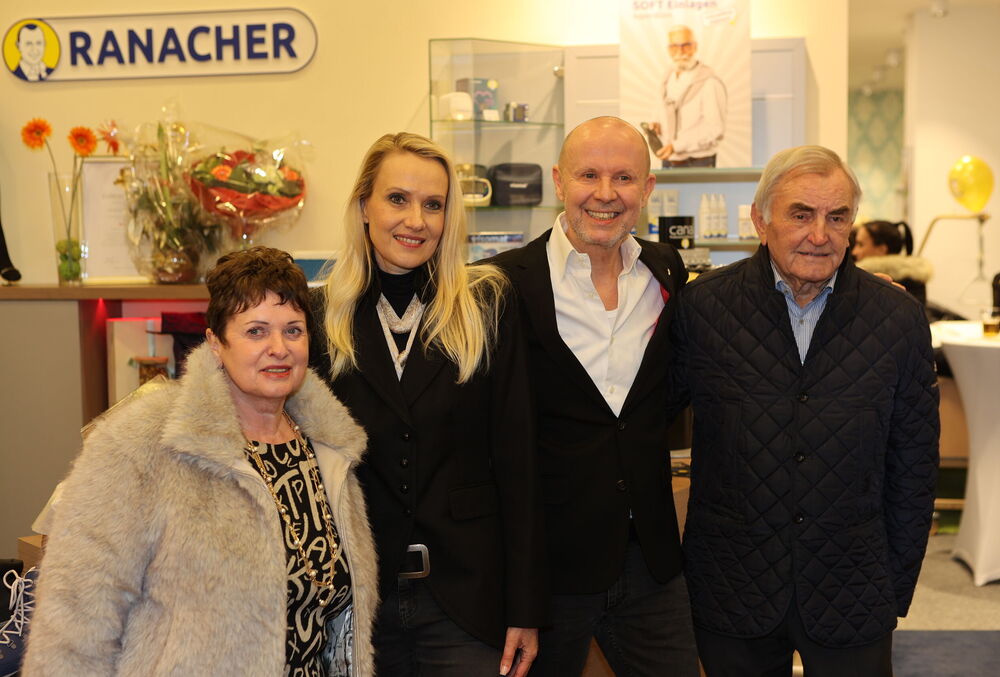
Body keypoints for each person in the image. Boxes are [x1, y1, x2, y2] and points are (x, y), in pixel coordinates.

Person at [23, 247, 377, 676]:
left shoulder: (329, 450)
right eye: (256, 331)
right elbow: (75, 613)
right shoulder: (142, 442)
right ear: (215, 343)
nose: (279, 348)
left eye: (293, 331)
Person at [670, 146, 939, 677]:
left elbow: (915, 465)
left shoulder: (898, 318)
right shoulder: (702, 309)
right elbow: (643, 419)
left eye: (836, 217)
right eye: (800, 214)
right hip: (732, 586)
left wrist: (892, 585)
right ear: (760, 220)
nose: (820, 234)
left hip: (853, 588)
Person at [311, 132, 546, 677]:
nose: (415, 220)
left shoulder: (487, 305)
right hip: (356, 601)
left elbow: (520, 463)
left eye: (433, 205)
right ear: (364, 205)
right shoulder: (320, 316)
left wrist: (526, 608)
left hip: (466, 602)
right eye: (397, 199)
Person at [491, 116, 699, 677]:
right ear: (559, 181)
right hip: (548, 568)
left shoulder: (665, 270)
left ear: (647, 189)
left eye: (624, 178)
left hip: (650, 557)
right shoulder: (502, 283)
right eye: (588, 175)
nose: (606, 194)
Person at [645, 25, 726, 168]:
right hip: (668, 159)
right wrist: (656, 125)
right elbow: (660, 112)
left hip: (699, 162)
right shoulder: (666, 78)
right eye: (674, 46)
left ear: (695, 47)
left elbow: (716, 130)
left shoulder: (710, 82)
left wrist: (677, 146)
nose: (680, 51)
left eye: (686, 45)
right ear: (668, 49)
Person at [852, 220, 932, 304]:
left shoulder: (871, 281)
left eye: (860, 244)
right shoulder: (914, 277)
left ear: (881, 250)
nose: (854, 252)